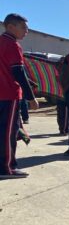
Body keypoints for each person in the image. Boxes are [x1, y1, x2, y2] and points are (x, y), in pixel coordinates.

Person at [0, 14, 39, 179]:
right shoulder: (12, 44)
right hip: (9, 94)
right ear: (10, 27)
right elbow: (18, 72)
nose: (26, 31)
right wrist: (31, 97)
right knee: (8, 132)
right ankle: (7, 168)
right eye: (23, 27)